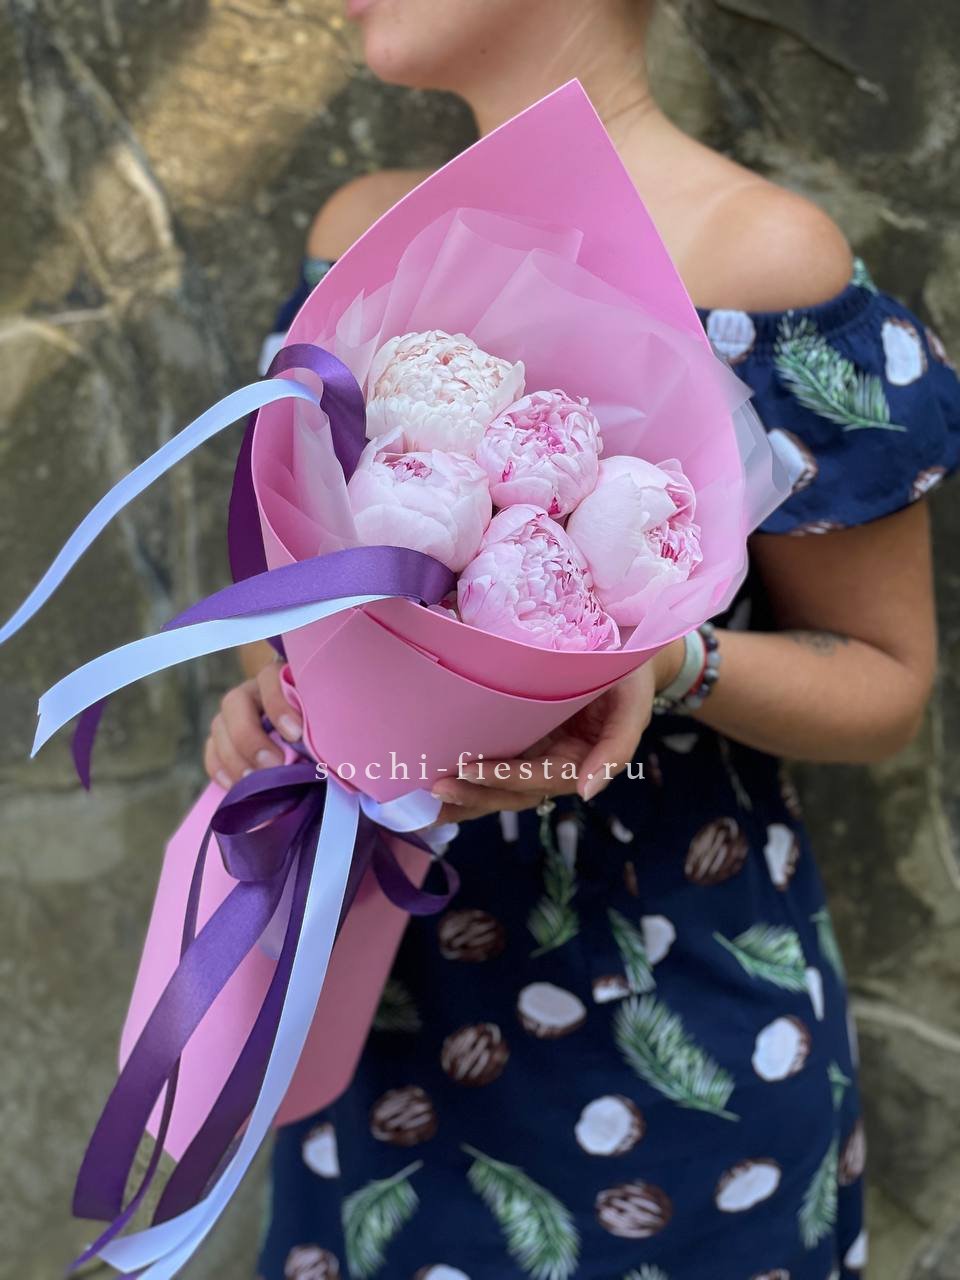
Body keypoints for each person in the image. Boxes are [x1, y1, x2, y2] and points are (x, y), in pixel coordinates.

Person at [206, 2, 960, 1276]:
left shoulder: (766, 259)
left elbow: (887, 682)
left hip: (672, 1002)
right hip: (379, 995)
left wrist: (671, 662)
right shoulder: (360, 235)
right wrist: (277, 701)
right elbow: (287, 571)